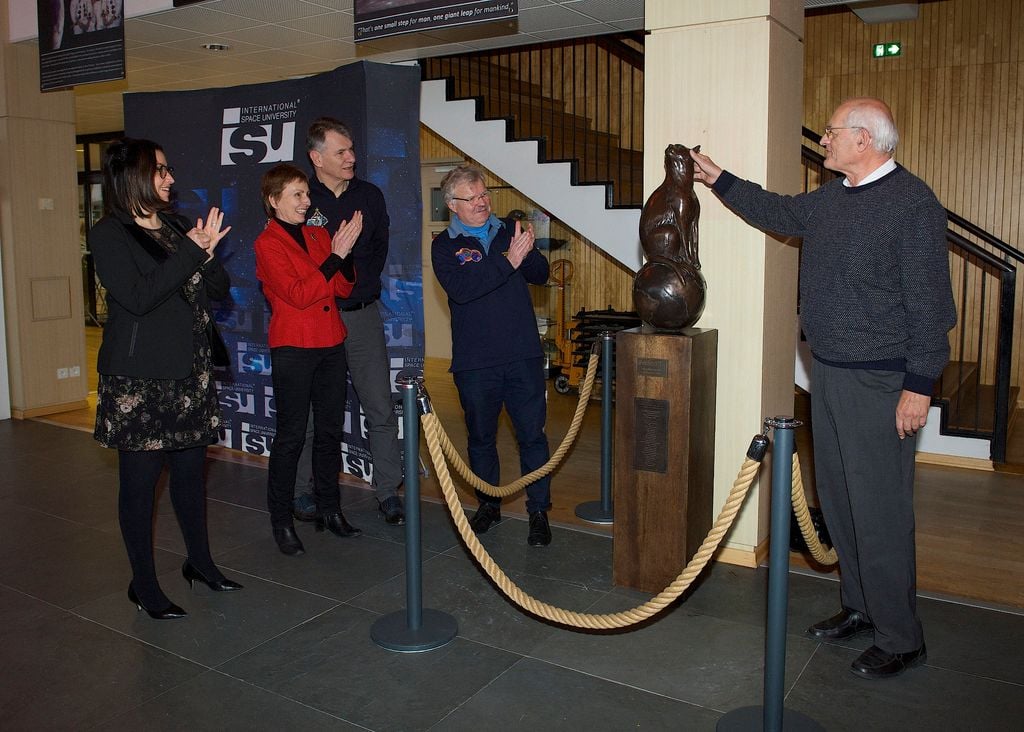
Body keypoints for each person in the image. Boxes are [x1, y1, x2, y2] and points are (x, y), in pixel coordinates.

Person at [689, 97, 956, 679]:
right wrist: (720, 180)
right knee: (839, 499)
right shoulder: (834, 198)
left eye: (832, 133)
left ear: (865, 140)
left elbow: (934, 306)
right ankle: (861, 608)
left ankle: (901, 635)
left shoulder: (913, 205)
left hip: (883, 379)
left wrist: (919, 385)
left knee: (879, 508)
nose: (824, 141)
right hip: (830, 371)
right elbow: (780, 212)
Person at [91, 137, 242, 620]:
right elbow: (138, 297)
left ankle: (200, 564)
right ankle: (144, 583)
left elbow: (218, 288)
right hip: (140, 381)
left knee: (190, 478)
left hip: (190, 375)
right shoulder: (109, 234)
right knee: (138, 488)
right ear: (131, 174)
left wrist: (207, 253)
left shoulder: (178, 227)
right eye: (159, 170)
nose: (170, 178)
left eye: (168, 169)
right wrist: (190, 254)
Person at [291, 117, 406, 526]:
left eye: (352, 149)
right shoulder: (301, 198)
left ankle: (388, 491)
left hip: (360, 316)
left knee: (379, 405)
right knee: (311, 412)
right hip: (317, 318)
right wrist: (334, 269)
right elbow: (298, 264)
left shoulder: (370, 196)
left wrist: (350, 280)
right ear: (316, 157)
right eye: (341, 152)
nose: (351, 158)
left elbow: (376, 251)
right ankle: (303, 491)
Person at [431, 165, 553, 547]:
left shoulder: (508, 232)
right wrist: (507, 262)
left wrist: (527, 252)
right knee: (481, 438)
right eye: (473, 197)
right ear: (453, 205)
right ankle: (488, 505)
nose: (483, 202)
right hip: (476, 362)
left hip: (522, 356)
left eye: (485, 194)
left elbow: (540, 274)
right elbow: (464, 289)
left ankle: (538, 512)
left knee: (532, 437)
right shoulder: (443, 247)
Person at [255, 163, 363, 556]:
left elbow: (341, 286)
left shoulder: (318, 235)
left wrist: (344, 256)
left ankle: (330, 510)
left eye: (306, 193)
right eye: (297, 195)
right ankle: (281, 520)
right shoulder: (267, 244)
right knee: (291, 437)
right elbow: (299, 294)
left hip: (331, 342)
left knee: (330, 433)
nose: (306, 201)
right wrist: (335, 256)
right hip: (294, 348)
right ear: (273, 201)